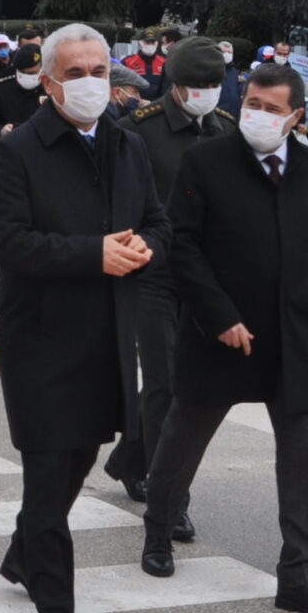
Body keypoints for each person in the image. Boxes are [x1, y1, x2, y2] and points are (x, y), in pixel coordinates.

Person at [0, 23, 168, 613]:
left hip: (108, 338)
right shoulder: (17, 152)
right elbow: (8, 244)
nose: (92, 81)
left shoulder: (127, 145)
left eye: (100, 68)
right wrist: (94, 255)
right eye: (78, 71)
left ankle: (21, 552)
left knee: (75, 463)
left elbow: (155, 222)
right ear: (52, 80)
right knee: (47, 475)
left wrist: (145, 249)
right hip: (41, 341)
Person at [137, 64, 308, 613]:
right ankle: (158, 529)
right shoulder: (206, 161)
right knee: (183, 439)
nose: (258, 114)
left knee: (306, 459)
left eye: (273, 108)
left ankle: (300, 576)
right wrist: (219, 315)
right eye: (253, 102)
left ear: (297, 117)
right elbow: (183, 246)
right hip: (220, 333)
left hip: (293, 337)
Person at [104, 35, 231, 504]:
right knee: (165, 384)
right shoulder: (138, 128)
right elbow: (117, 201)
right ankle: (167, 495)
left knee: (191, 383)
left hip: (204, 278)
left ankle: (129, 460)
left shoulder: (226, 130)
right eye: (197, 83)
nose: (206, 91)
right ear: (175, 84)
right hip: (151, 272)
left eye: (214, 83)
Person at [0, 41, 48, 139]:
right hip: (12, 145)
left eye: (32, 73)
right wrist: (1, 129)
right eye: (22, 72)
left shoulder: (50, 89)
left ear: (42, 69)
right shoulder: (4, 88)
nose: (27, 76)